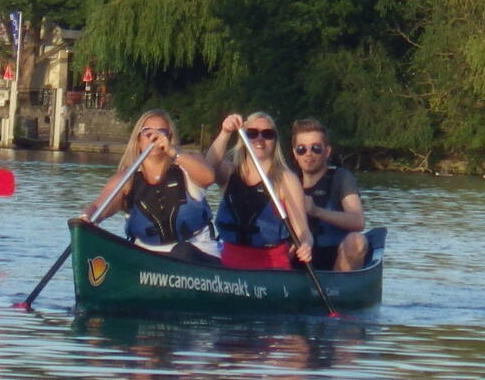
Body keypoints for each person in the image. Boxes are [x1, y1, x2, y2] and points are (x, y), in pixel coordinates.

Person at [84, 110, 220, 264]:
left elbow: (209, 177)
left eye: (161, 132)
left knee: (182, 251)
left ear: (169, 137)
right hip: (147, 259)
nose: (154, 137)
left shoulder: (188, 165)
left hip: (197, 253)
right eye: (147, 132)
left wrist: (173, 152)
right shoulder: (125, 179)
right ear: (138, 140)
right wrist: (86, 218)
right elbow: (99, 206)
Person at [207, 111, 313, 270]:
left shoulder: (286, 179)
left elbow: (303, 232)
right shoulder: (229, 173)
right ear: (243, 139)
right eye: (252, 133)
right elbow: (209, 166)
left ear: (275, 141)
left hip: (270, 265)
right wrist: (225, 132)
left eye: (267, 134)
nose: (260, 139)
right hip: (229, 261)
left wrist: (305, 245)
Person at [288, 118, 368, 272]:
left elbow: (358, 221)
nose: (308, 154)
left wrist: (316, 211)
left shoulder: (341, 177)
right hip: (299, 254)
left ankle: (340, 289)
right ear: (295, 153)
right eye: (301, 149)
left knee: (357, 241)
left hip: (335, 255)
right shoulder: (288, 179)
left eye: (316, 148)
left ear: (327, 151)